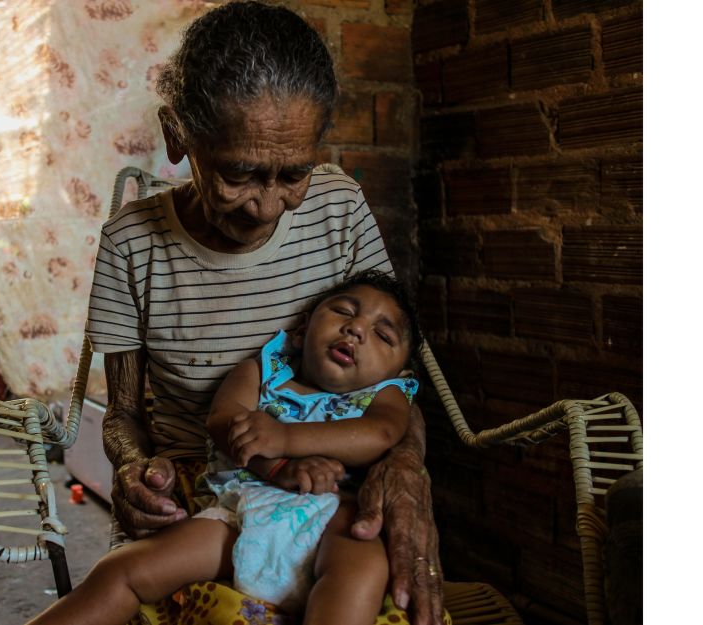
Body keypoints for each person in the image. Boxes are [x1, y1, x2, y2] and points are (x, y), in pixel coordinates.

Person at [85, 2, 443, 623]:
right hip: (203, 504)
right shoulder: (131, 242)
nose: (267, 206)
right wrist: (132, 470)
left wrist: (408, 467)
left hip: (326, 499)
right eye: (241, 173)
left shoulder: (338, 206)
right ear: (178, 135)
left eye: (293, 173)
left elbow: (392, 378)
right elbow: (121, 414)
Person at [28, 271, 424, 625]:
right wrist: (277, 464)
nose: (355, 329)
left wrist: (286, 438)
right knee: (123, 571)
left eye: (382, 335)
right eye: (343, 311)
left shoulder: (385, 394)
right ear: (303, 330)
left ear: (398, 370)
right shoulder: (264, 370)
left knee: (358, 573)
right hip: (240, 511)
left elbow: (381, 434)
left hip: (335, 517)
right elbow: (221, 420)